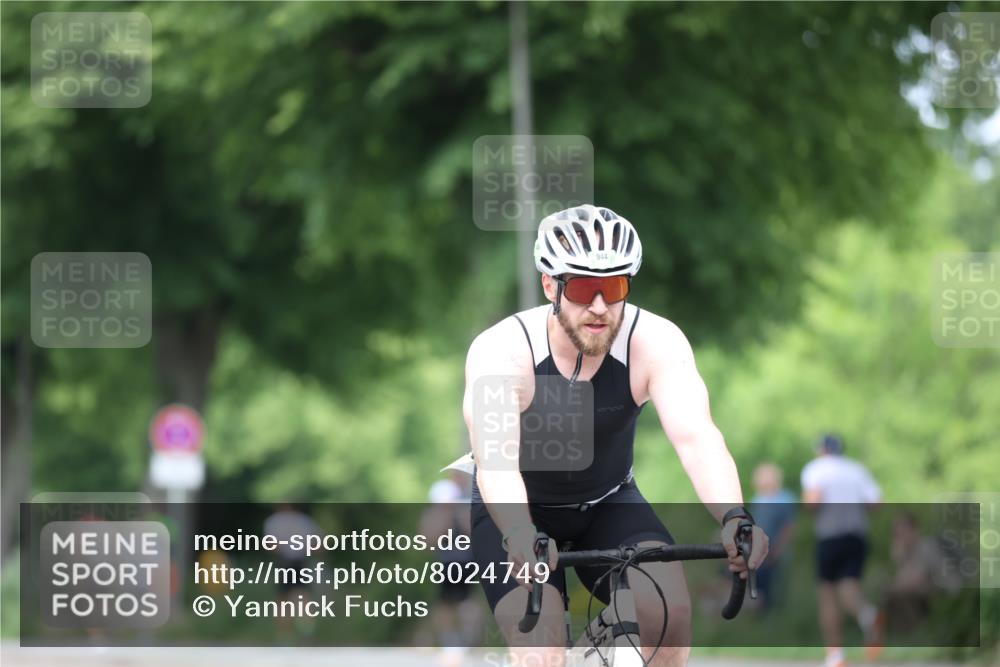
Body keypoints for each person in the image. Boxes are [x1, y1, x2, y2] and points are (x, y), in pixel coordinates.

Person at [449, 205, 769, 667]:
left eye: (614, 287)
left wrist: (734, 515)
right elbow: (496, 463)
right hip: (517, 511)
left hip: (609, 501)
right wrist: (520, 532)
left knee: (669, 610)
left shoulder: (656, 341)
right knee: (542, 647)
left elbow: (697, 437)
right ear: (549, 285)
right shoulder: (503, 351)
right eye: (581, 288)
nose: (599, 307)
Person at [801, 434, 883, 667]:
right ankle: (868, 616)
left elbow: (812, 502)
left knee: (827, 595)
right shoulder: (857, 470)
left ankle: (835, 655)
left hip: (830, 537)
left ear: (823, 450)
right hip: (857, 536)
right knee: (849, 586)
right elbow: (876, 504)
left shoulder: (815, 469)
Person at [419, 475, 480, 666]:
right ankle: (452, 643)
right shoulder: (436, 515)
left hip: (465, 561)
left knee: (465, 603)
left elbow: (475, 535)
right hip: (445, 563)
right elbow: (427, 541)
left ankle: (465, 642)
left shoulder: (463, 512)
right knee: (445, 604)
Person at [262, 503, 321, 637]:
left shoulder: (301, 521)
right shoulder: (277, 521)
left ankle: (304, 630)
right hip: (285, 561)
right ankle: (286, 633)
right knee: (285, 599)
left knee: (300, 596)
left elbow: (317, 544)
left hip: (298, 561)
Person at [749, 463, 796, 611]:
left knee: (775, 585)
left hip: (777, 549)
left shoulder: (784, 498)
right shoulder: (757, 499)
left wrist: (778, 549)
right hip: (758, 549)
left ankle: (774, 614)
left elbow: (789, 527)